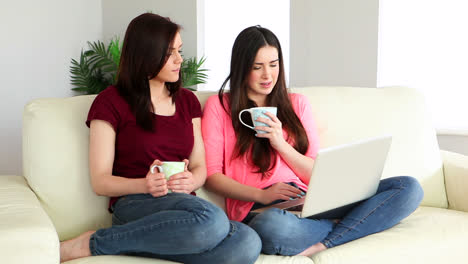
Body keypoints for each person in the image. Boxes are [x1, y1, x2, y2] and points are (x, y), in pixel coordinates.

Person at [201, 25, 424, 256]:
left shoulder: (297, 104)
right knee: (271, 226)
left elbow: (313, 173)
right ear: (241, 67)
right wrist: (262, 195)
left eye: (274, 64)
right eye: (257, 67)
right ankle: (352, 224)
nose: (268, 75)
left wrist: (280, 144)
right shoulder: (219, 107)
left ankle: (323, 242)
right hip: (263, 208)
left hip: (311, 200)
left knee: (408, 187)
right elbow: (212, 177)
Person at [59, 13, 261, 264]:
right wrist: (144, 185)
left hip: (183, 207)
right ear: (145, 55)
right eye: (169, 53)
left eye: (180, 50)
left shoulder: (187, 101)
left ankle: (125, 243)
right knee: (213, 221)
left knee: (248, 240)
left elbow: (200, 166)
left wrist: (191, 180)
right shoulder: (110, 102)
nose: (180, 59)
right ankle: (94, 243)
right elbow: (100, 182)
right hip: (136, 205)